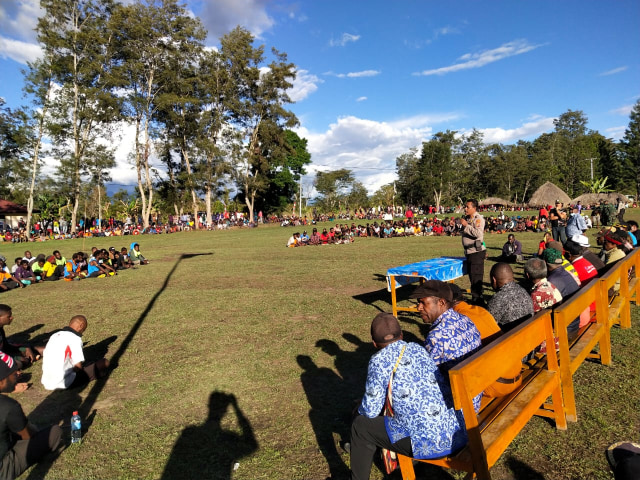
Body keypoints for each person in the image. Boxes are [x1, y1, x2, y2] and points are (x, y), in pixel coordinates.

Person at [349, 313, 467, 480]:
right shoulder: (418, 349)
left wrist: (359, 407)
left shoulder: (378, 360)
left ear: (374, 344)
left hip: (429, 445)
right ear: (402, 335)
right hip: (457, 433)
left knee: (360, 426)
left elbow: (370, 410)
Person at [0, 353, 63, 480]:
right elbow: (27, 436)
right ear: (1, 381)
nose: (18, 374)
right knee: (55, 432)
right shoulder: (8, 406)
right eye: (13, 373)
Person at [411, 280, 482, 374]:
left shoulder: (436, 337)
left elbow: (427, 376)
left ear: (441, 302)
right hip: (477, 379)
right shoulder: (464, 319)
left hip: (458, 386)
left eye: (423, 302)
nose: (418, 307)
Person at [41, 315, 110, 391]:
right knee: (105, 362)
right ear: (81, 326)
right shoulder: (75, 339)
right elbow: (78, 367)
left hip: (46, 381)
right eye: (84, 329)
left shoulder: (54, 335)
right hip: (63, 383)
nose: (83, 332)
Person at [486, 263, 534, 331]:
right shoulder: (523, 291)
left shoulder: (497, 300)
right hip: (531, 335)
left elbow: (488, 327)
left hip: (512, 340)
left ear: (494, 280)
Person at [460, 198, 486, 305]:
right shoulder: (468, 218)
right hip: (469, 252)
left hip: (476, 252)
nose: (465, 208)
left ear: (474, 208)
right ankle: (476, 298)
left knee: (476, 278)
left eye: (467, 207)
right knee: (472, 277)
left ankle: (478, 302)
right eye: (465, 206)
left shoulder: (478, 219)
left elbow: (478, 234)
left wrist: (466, 226)